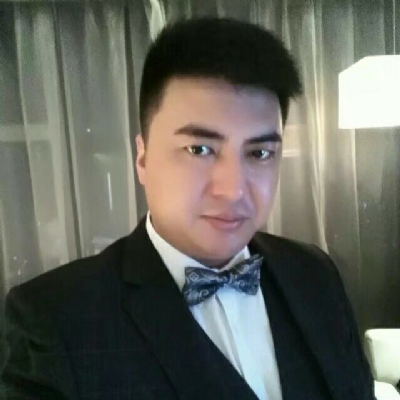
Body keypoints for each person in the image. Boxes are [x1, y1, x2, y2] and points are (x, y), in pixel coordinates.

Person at [0, 17, 375, 400]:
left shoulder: (315, 274)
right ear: (142, 158)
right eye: (200, 149)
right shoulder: (54, 319)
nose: (233, 190)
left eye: (260, 153)